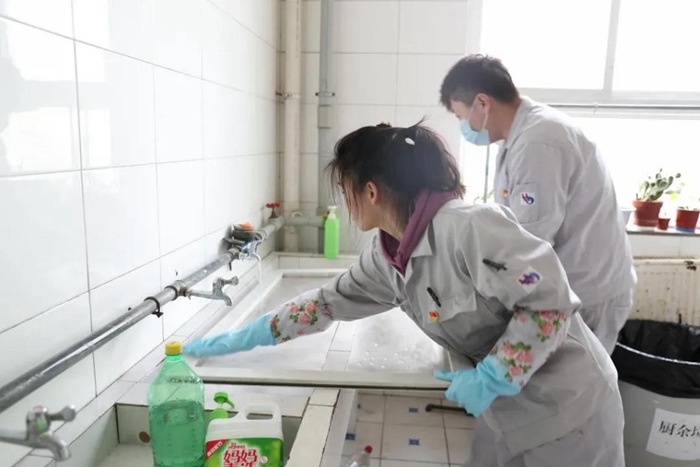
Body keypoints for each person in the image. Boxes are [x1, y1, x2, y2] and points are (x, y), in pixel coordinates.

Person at [184, 122, 624, 466]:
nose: (345, 204)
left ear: (370, 191)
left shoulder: (471, 228)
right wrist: (242, 337)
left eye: (346, 191)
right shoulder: (387, 257)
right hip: (510, 414)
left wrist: (494, 376)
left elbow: (547, 303)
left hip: (571, 410)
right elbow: (323, 304)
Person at [440, 54, 636, 355]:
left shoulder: (538, 142)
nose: (463, 126)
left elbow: (531, 240)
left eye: (460, 116)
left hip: (587, 293)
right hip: (578, 286)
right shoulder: (524, 135)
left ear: (482, 103)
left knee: (574, 381)